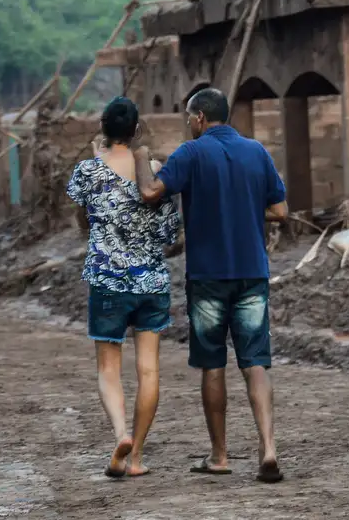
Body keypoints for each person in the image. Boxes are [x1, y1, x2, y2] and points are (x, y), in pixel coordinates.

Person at [134, 87, 288, 483]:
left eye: (189, 117)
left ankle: (219, 455)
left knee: (213, 365)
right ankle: (268, 448)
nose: (189, 124)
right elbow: (281, 210)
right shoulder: (257, 151)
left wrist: (140, 156)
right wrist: (244, 210)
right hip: (252, 272)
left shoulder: (190, 153)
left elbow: (151, 192)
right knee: (256, 361)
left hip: (208, 277)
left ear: (200, 117)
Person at [66, 97, 181, 478]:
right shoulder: (155, 171)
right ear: (136, 131)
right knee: (149, 370)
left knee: (108, 368)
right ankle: (136, 458)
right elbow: (168, 232)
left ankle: (120, 433)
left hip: (107, 280)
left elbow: (82, 218)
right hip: (151, 281)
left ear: (102, 128)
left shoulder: (87, 171)